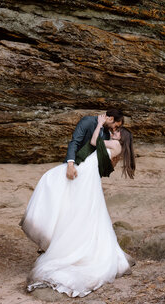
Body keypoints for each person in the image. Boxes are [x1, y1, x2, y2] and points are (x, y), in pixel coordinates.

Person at [20, 113, 136, 298]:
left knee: (62, 192)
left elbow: (92, 142)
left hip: (86, 175)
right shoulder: (115, 144)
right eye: (116, 128)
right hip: (88, 173)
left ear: (123, 138)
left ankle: (64, 242)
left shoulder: (114, 144)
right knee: (82, 208)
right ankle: (56, 236)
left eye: (118, 131)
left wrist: (98, 124)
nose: (115, 131)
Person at [65, 108, 124, 180]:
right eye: (116, 126)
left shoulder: (107, 134)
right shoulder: (88, 121)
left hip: (89, 172)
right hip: (74, 165)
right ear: (111, 119)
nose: (114, 130)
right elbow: (75, 142)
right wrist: (70, 165)